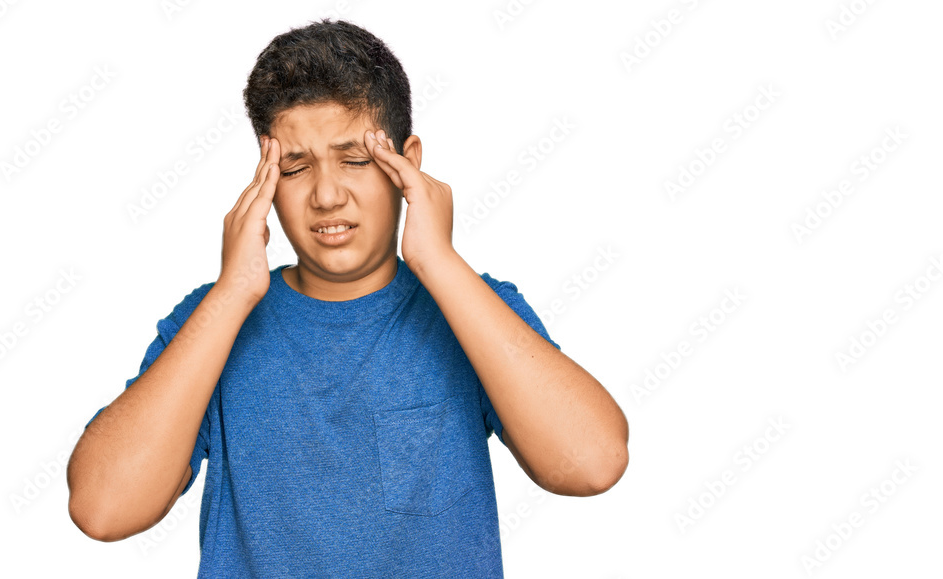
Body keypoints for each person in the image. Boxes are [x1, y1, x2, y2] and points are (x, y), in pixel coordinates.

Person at [66, 18, 629, 577]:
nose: (327, 195)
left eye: (355, 160)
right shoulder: (209, 323)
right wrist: (233, 291)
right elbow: (103, 509)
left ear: (407, 162)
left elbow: (593, 463)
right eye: (295, 167)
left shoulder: (472, 309)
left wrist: (438, 261)